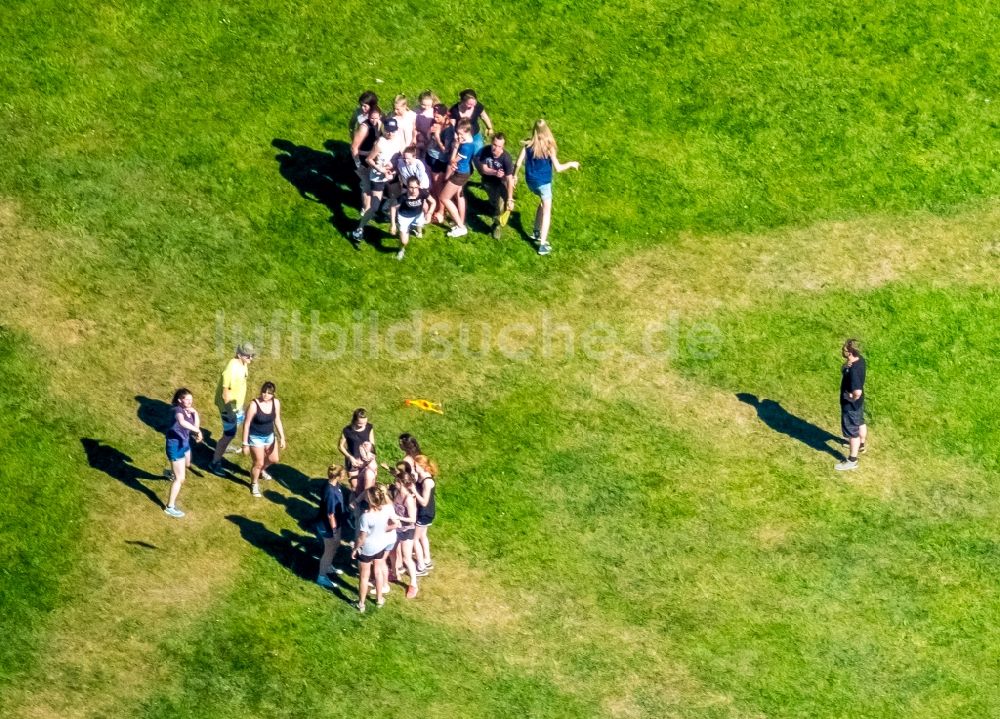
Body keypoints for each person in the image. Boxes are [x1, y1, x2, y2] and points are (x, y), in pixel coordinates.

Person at [512, 119, 581, 256]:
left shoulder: (527, 145)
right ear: (546, 130)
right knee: (547, 211)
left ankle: (536, 232)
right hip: (543, 183)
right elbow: (558, 168)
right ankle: (542, 245)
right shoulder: (549, 147)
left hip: (531, 182)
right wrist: (572, 164)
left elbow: (519, 163)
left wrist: (514, 176)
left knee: (542, 204)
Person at [351, 118, 400, 245]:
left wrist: (393, 169)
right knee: (374, 207)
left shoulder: (399, 141)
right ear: (384, 129)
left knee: (394, 200)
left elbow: (398, 158)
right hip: (378, 177)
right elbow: (369, 160)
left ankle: (394, 225)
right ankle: (359, 228)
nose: (390, 133)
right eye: (388, 130)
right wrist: (381, 169)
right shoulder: (380, 143)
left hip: (391, 175)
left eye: (392, 131)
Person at [210, 343, 254, 476]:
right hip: (229, 409)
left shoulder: (243, 363)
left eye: (252, 355)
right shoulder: (231, 370)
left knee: (231, 432)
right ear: (239, 354)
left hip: (237, 407)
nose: (251, 358)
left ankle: (223, 447)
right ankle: (214, 463)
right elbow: (225, 395)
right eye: (248, 355)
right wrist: (230, 413)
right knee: (229, 434)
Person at [352, 484, 398, 612]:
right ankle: (379, 599)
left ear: (370, 500)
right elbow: (394, 519)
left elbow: (362, 537)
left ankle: (361, 604)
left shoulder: (365, 517)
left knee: (364, 577)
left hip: (367, 548)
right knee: (378, 572)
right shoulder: (387, 509)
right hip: (380, 546)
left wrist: (355, 548)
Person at [241, 381, 286, 497]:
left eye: (269, 393)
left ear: (273, 394)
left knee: (274, 459)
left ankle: (261, 471)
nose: (266, 395)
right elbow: (246, 424)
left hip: (270, 436)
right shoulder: (254, 405)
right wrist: (245, 444)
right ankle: (254, 484)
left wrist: (282, 437)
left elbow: (277, 420)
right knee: (258, 463)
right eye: (264, 392)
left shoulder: (275, 403)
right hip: (256, 438)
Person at [164, 388, 201, 518]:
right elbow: (181, 422)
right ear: (180, 400)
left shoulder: (189, 411)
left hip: (184, 444)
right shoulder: (177, 410)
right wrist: (198, 431)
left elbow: (194, 425)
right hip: (175, 446)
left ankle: (170, 472)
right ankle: (170, 507)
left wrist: (195, 414)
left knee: (188, 464)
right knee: (181, 479)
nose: (190, 401)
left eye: (191, 399)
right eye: (187, 399)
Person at [438, 119, 476, 237]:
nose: (458, 136)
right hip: (463, 172)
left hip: (460, 174)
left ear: (467, 131)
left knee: (444, 197)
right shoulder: (471, 142)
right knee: (456, 195)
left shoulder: (465, 147)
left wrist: (455, 146)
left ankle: (460, 226)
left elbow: (452, 160)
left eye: (460, 134)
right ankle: (458, 223)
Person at [835, 339, 868, 471]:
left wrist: (851, 397)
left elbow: (857, 392)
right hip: (858, 405)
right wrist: (845, 367)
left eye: (845, 350)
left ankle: (852, 460)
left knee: (852, 432)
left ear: (850, 352)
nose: (842, 351)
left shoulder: (854, 371)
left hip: (851, 406)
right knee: (860, 422)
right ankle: (861, 445)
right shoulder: (860, 360)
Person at [475, 133, 515, 239]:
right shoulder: (486, 150)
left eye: (499, 146)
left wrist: (510, 198)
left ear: (503, 147)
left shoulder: (506, 158)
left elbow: (509, 179)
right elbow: (483, 169)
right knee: (497, 205)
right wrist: (495, 173)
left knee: (506, 203)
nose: (496, 148)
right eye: (494, 144)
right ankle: (496, 226)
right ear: (491, 142)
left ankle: (497, 216)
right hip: (489, 182)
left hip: (502, 182)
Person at [389, 465, 420, 598]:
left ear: (401, 483)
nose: (394, 482)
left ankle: (413, 584)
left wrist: (398, 517)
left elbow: (412, 519)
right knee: (391, 551)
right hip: (397, 527)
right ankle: (395, 573)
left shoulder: (408, 499)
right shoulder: (397, 493)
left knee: (407, 558)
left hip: (407, 530)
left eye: (396, 481)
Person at [315, 465, 347, 589]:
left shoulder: (335, 485)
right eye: (343, 474)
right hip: (327, 526)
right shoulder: (330, 492)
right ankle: (321, 576)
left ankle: (328, 566)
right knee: (328, 550)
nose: (344, 477)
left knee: (336, 544)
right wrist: (334, 530)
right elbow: (330, 514)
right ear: (337, 476)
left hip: (336, 523)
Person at [388, 145, 430, 236]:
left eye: (408, 158)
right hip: (407, 185)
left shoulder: (419, 165)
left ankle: (425, 217)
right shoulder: (401, 162)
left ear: (414, 157)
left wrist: (413, 191)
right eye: (404, 158)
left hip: (420, 186)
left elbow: (418, 181)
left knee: (423, 204)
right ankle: (400, 218)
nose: (405, 160)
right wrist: (393, 172)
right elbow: (398, 169)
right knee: (402, 201)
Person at [350, 105, 383, 215]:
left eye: (376, 118)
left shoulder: (379, 126)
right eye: (371, 118)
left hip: (371, 159)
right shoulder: (364, 127)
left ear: (380, 116)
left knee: (371, 184)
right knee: (367, 186)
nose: (374, 120)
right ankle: (365, 208)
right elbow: (354, 147)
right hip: (362, 160)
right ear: (368, 116)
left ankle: (369, 208)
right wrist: (359, 164)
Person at [394, 176, 436, 260]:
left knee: (420, 225)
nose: (414, 190)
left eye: (416, 187)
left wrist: (429, 213)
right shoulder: (403, 196)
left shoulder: (423, 193)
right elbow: (393, 208)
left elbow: (433, 202)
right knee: (404, 241)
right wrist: (392, 224)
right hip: (404, 218)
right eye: (411, 187)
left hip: (418, 214)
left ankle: (418, 232)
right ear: (407, 186)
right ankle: (401, 250)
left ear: (419, 186)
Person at [426, 104, 454, 222]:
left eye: (437, 117)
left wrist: (437, 137)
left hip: (440, 159)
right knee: (434, 183)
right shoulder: (435, 122)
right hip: (430, 155)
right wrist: (429, 132)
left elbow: (446, 150)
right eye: (434, 116)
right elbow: (428, 138)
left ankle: (441, 210)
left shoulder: (448, 129)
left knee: (438, 185)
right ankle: (436, 205)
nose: (435, 118)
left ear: (444, 116)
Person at [412, 454, 438, 574]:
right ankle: (427, 560)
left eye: (415, 465)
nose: (414, 467)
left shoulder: (427, 482)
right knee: (423, 536)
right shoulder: (421, 476)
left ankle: (421, 567)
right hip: (427, 512)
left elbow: (424, 502)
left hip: (425, 513)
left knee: (414, 539)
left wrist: (413, 491)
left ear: (421, 466)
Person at [449, 89, 494, 155]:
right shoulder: (454, 110)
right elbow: (452, 125)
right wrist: (455, 136)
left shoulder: (477, 106)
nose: (472, 106)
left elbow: (484, 117)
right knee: (463, 155)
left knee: (478, 154)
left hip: (475, 135)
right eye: (469, 104)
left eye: (474, 103)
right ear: (462, 101)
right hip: (461, 137)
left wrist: (490, 128)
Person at [414, 90, 438, 158]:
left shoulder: (433, 113)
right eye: (423, 105)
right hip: (418, 136)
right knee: (416, 154)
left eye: (429, 105)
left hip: (428, 138)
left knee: (426, 156)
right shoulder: (416, 111)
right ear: (419, 101)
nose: (426, 107)